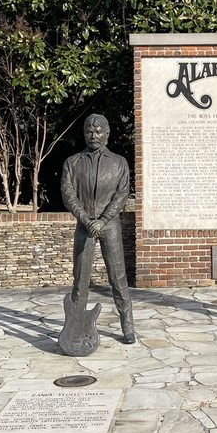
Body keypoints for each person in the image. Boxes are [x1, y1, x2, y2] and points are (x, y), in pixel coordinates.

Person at [61, 114, 135, 344]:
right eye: (89, 132)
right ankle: (75, 326)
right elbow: (68, 194)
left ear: (107, 133)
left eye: (98, 131)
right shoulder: (72, 163)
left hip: (109, 225)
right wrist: (86, 219)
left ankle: (128, 326)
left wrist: (102, 220)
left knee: (118, 277)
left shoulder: (119, 162)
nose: (93, 136)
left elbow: (122, 194)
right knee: (80, 279)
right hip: (84, 226)